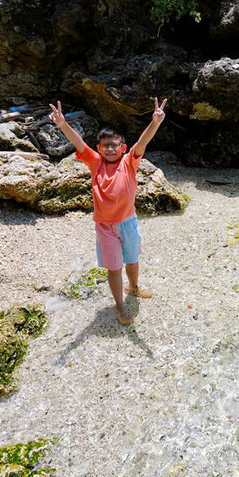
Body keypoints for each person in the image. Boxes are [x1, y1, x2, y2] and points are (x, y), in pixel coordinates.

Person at [48, 97, 167, 324]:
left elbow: (143, 142)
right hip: (105, 227)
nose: (111, 149)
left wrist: (155, 123)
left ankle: (133, 287)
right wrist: (63, 125)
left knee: (132, 260)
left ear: (123, 147)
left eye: (115, 145)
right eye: (106, 145)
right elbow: (78, 143)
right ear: (99, 148)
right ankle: (120, 305)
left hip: (128, 222)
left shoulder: (129, 162)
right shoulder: (95, 163)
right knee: (114, 267)